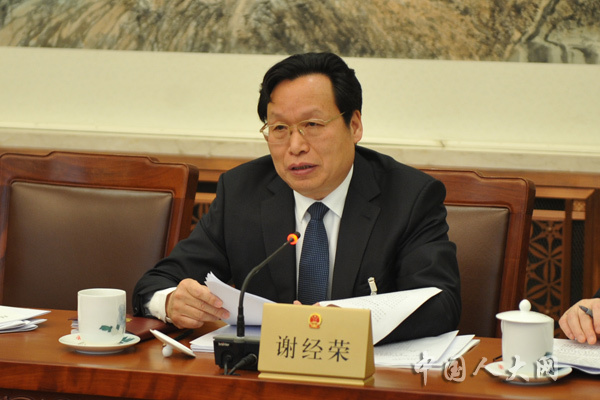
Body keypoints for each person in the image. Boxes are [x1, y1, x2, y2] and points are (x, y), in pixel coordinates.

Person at [133, 52, 461, 344]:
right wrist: (172, 301)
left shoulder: (408, 196)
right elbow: (155, 283)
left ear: (354, 125)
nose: (295, 146)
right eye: (279, 129)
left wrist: (340, 319)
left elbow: (441, 304)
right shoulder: (241, 191)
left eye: (312, 124)